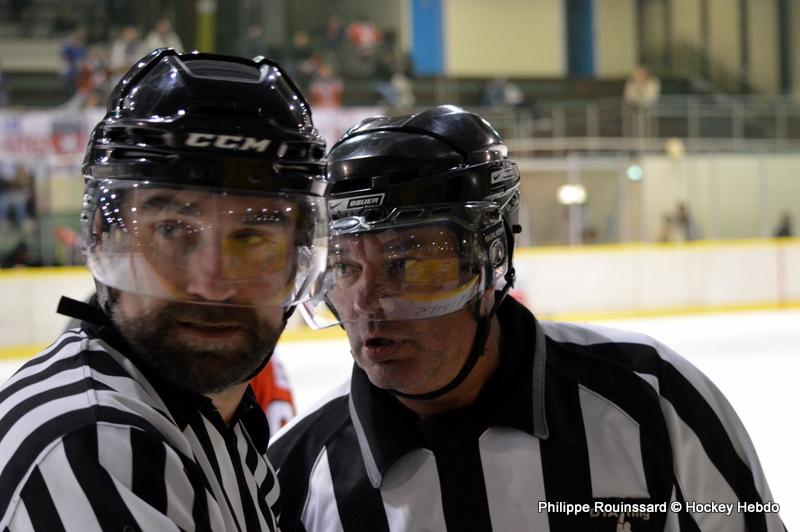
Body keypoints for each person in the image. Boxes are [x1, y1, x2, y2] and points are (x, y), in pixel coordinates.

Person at [268, 105, 783, 531]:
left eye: (410, 263)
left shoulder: (653, 400)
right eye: (345, 267)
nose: (365, 302)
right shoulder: (294, 472)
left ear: (491, 259)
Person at [0, 49, 328, 530]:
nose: (211, 286)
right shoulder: (93, 446)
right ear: (104, 236)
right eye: (172, 230)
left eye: (252, 237)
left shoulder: (211, 425)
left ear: (297, 257)